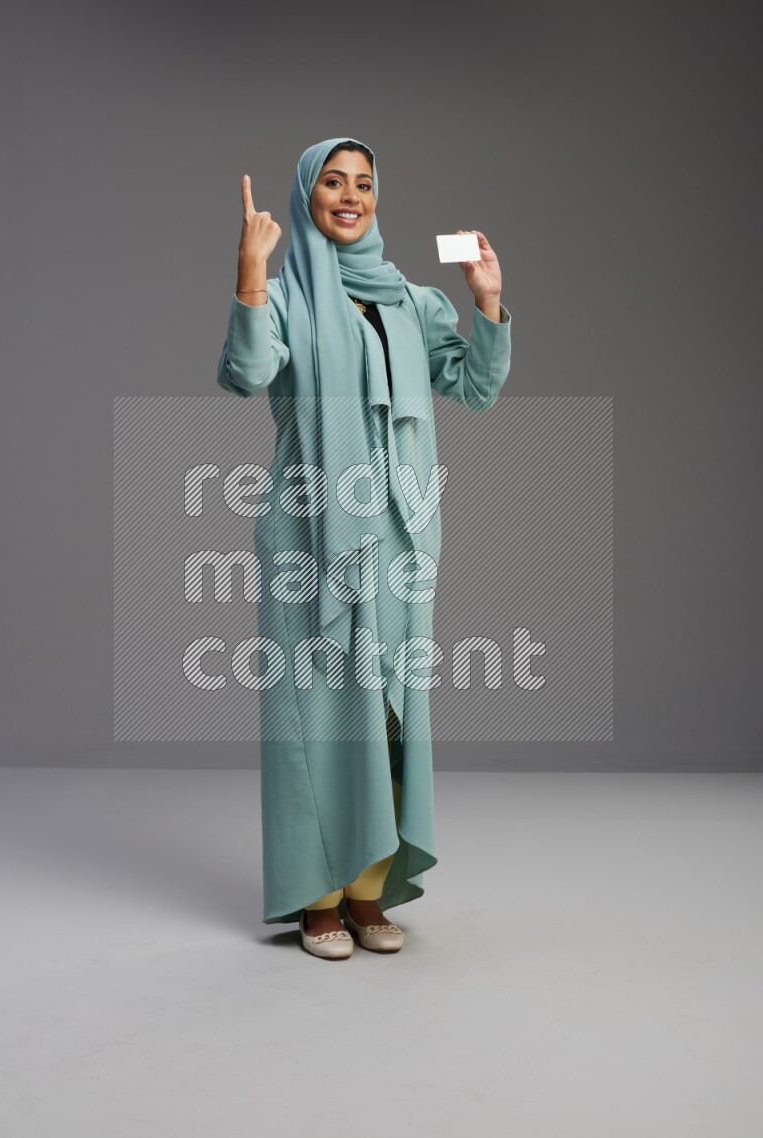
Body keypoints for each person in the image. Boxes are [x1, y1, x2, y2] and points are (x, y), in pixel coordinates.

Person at [217, 137, 512, 959]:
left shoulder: (413, 303)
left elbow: (476, 389)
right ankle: (316, 901)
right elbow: (246, 373)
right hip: (309, 534)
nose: (350, 196)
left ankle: (369, 894)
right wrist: (248, 273)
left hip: (402, 537)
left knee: (387, 718)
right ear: (307, 194)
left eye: (364, 185)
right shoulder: (283, 297)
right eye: (333, 183)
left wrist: (487, 302)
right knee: (314, 719)